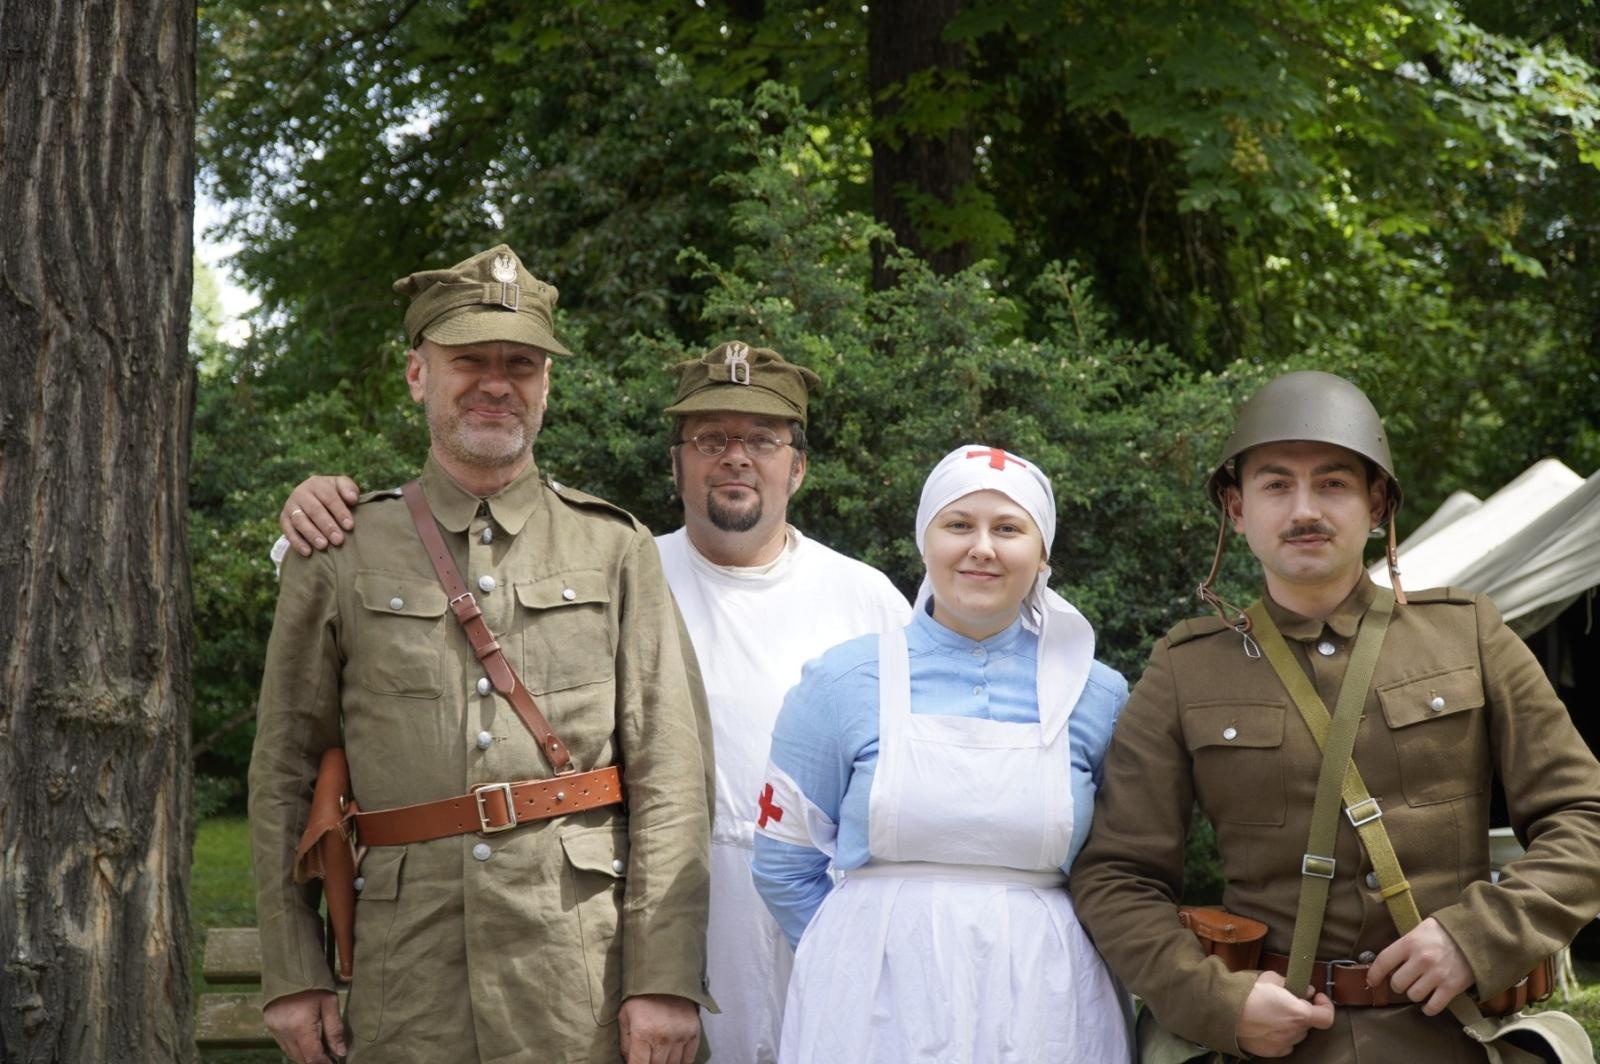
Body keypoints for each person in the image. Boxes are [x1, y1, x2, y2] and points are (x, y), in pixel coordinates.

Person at [276, 341, 911, 1063]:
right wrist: (307, 515)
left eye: (763, 440)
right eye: (710, 439)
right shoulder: (631, 558)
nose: (736, 456)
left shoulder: (865, 600)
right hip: (630, 911)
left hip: (803, 904)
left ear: (798, 464)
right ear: (674, 463)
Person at [249, 244, 716, 1064]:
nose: (497, 383)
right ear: (416, 375)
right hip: (406, 975)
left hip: (578, 967)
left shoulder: (615, 546)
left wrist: (664, 978)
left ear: (545, 385)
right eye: (469, 360)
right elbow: (284, 771)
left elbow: (671, 774)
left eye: (522, 365)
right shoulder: (342, 548)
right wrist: (294, 973)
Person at [1071, 370, 1600, 1062]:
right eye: (1275, 485)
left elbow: (1585, 816)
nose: (1304, 510)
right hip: (1276, 1047)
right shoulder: (1184, 670)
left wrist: (1481, 937)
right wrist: (1217, 1002)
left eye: (1333, 484)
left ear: (1376, 502)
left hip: (1454, 1037)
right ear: (1236, 507)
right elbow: (1116, 875)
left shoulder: (1468, 634)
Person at [749, 444, 1134, 1064]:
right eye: (958, 525)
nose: (981, 546)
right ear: (924, 542)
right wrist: (853, 959)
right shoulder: (843, 683)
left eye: (1008, 528)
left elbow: (1126, 869)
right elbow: (781, 863)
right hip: (869, 1012)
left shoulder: (1098, 694)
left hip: (1051, 1003)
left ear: (1043, 555)